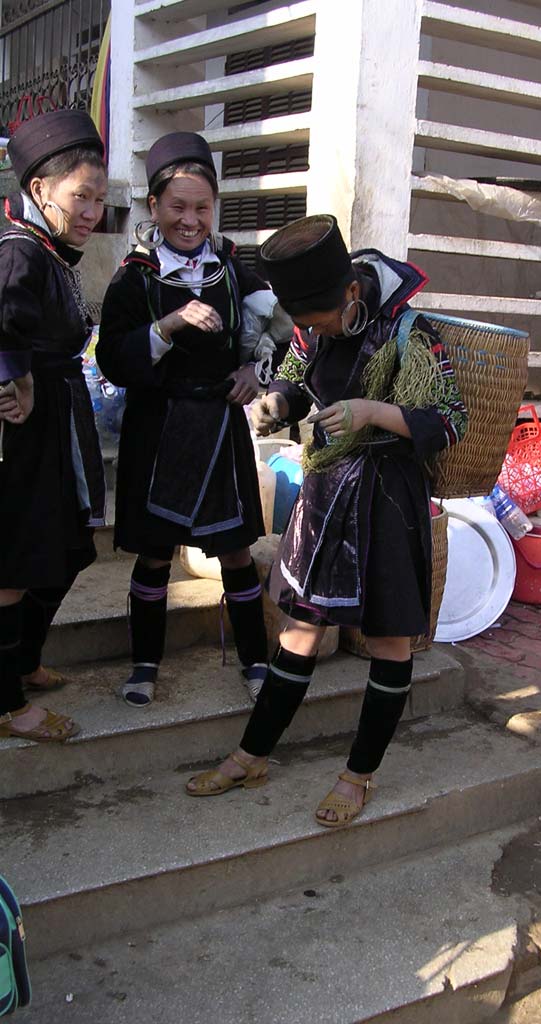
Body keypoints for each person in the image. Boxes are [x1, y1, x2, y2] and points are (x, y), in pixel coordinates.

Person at [186, 214, 468, 827]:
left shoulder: (410, 330)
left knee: (389, 641)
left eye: (317, 322)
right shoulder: (314, 327)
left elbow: (450, 420)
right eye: (303, 325)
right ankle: (251, 755)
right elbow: (295, 379)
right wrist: (277, 402)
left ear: (351, 293)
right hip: (326, 495)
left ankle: (357, 776)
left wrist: (372, 412)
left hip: (387, 501)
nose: (310, 334)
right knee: (300, 629)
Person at [97, 132, 272, 707]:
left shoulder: (233, 270)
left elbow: (277, 331)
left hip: (220, 427)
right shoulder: (135, 277)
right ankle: (145, 665)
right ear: (154, 206)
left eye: (202, 207)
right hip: (159, 431)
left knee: (236, 552)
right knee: (155, 554)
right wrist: (167, 326)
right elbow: (113, 359)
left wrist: (255, 372)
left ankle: (255, 660)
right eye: (177, 207)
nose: (190, 220)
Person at [0, 109, 108, 742]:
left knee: (66, 547)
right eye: (80, 197)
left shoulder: (48, 249)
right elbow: (3, 320)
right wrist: (16, 380)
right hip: (27, 433)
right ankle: (8, 704)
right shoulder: (19, 250)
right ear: (40, 190)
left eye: (98, 199)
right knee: (14, 564)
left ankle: (24, 660)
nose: (92, 211)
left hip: (58, 420)